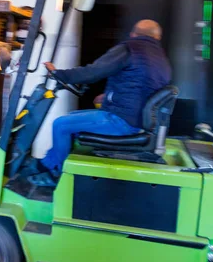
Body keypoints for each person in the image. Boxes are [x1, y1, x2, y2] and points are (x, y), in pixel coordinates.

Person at [27, 19, 172, 186]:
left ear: (133, 34)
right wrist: (109, 96)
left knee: (61, 124)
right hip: (136, 120)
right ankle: (53, 163)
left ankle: (51, 172)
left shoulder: (130, 48)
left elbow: (93, 72)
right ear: (157, 38)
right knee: (72, 118)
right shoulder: (162, 60)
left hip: (123, 121)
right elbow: (140, 88)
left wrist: (60, 74)